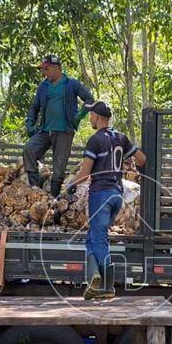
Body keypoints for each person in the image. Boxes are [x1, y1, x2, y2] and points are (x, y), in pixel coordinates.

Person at [65, 101, 145, 299]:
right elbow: (142, 159)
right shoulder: (121, 137)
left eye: (91, 115)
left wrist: (71, 186)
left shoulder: (95, 140)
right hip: (117, 195)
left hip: (100, 194)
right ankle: (94, 280)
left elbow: (85, 172)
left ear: (98, 117)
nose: (90, 118)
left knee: (99, 239)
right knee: (92, 237)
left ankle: (108, 286)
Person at [24, 54, 95, 197]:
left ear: (56, 68)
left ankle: (54, 200)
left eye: (46, 68)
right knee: (29, 150)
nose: (44, 72)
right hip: (45, 130)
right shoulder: (43, 86)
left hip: (64, 131)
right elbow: (35, 106)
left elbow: (89, 99)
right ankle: (35, 190)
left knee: (59, 167)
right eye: (43, 69)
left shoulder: (71, 84)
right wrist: (30, 122)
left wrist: (79, 116)